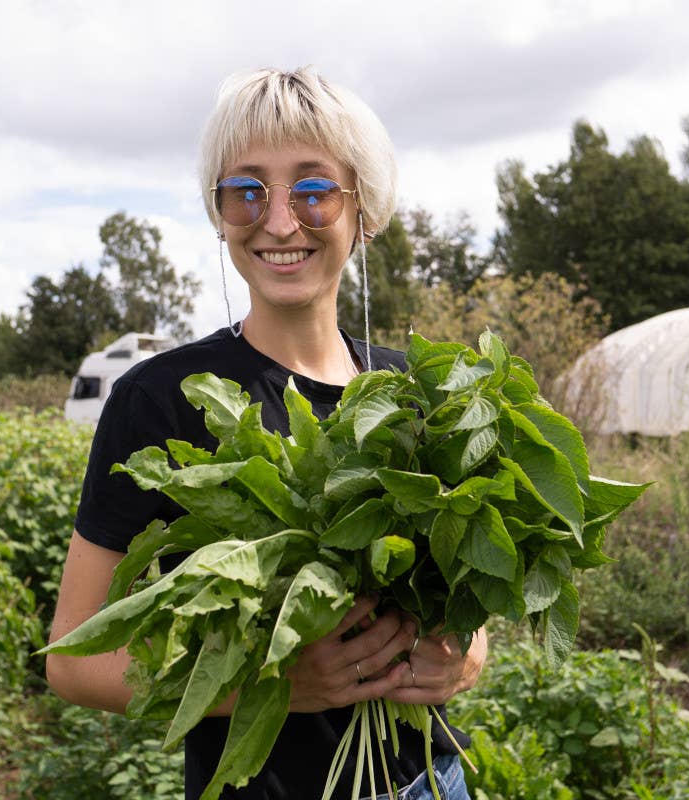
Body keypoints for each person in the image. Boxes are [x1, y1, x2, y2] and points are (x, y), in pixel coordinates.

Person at [46, 66, 488, 800]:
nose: (279, 222)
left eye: (313, 191)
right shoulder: (161, 400)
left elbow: (470, 606)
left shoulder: (419, 393)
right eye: (246, 191)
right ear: (220, 211)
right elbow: (74, 659)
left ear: (363, 211)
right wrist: (276, 680)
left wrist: (467, 655)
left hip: (432, 784)